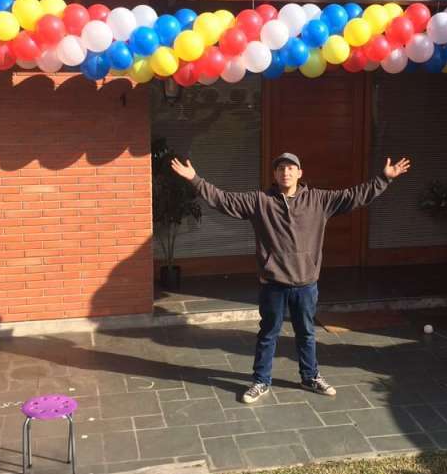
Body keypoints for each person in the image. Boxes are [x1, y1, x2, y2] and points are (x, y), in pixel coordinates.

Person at [170, 151, 411, 403]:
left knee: (306, 333)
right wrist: (195, 179)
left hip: (306, 284)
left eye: (291, 168)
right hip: (273, 284)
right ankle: (261, 381)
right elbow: (223, 200)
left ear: (300, 173)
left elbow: (355, 196)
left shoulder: (319, 200)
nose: (286, 172)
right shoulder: (260, 201)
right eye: (281, 168)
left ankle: (310, 377)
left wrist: (384, 178)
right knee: (268, 334)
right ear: (274, 174)